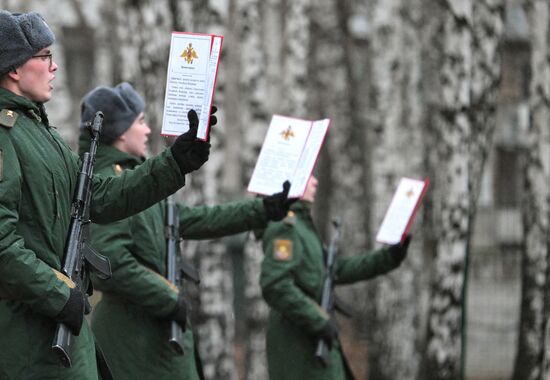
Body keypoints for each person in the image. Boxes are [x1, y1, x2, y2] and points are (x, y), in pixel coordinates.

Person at [0, 11, 212, 380]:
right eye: (45, 56)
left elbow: (98, 196)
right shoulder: (6, 134)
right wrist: (58, 293)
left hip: (61, 331)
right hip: (31, 339)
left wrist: (174, 163)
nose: (54, 68)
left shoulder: (39, 131)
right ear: (15, 68)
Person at [77, 82, 295, 380]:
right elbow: (112, 261)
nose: (148, 130)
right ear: (119, 132)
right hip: (131, 338)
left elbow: (196, 219)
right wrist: (168, 296)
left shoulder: (134, 183)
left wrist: (262, 210)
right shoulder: (109, 185)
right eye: (140, 122)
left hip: (152, 334)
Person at [260, 175, 411, 379]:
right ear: (290, 181)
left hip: (311, 339)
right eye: (308, 177)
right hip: (298, 343)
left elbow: (333, 271)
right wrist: (318, 320)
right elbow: (276, 285)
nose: (315, 181)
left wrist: (389, 257)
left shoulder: (303, 227)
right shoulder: (286, 228)